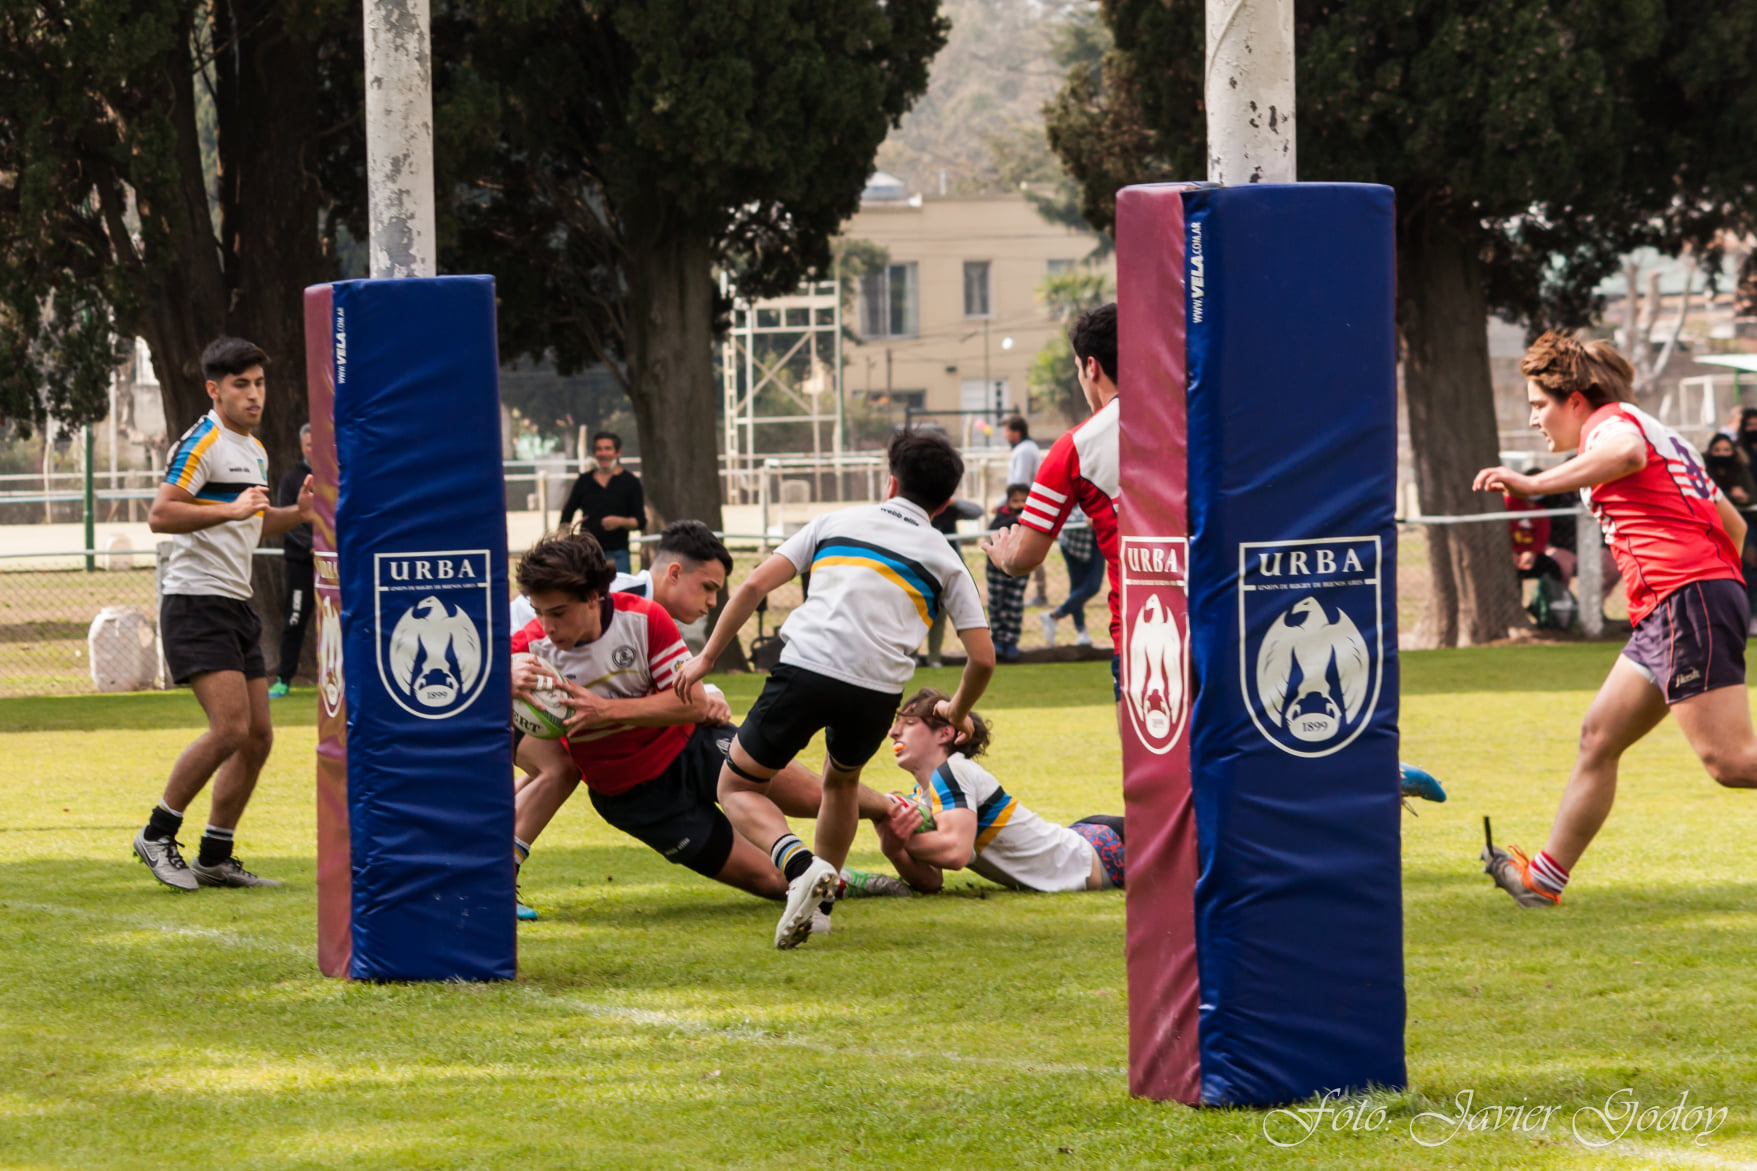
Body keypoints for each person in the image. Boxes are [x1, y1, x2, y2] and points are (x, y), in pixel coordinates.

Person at [674, 428, 996, 949]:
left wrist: (706, 657)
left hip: (807, 667)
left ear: (891, 482)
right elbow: (983, 657)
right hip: (877, 692)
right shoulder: (947, 558)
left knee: (735, 786)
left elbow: (754, 584)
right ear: (946, 503)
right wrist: (957, 711)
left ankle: (801, 867)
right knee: (841, 783)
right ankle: (821, 909)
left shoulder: (835, 522)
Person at [1471, 332, 1754, 908]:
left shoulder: (1611, 425)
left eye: (1539, 405)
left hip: (1683, 599)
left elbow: (1624, 456)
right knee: (1598, 736)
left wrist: (1531, 484)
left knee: (1731, 763)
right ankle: (1542, 882)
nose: (1534, 419)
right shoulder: (1664, 436)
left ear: (1576, 400)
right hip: (1673, 606)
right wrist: (1708, 581)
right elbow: (1736, 527)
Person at [509, 530, 901, 912]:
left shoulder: (644, 618)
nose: (548, 626)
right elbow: (479, 680)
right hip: (635, 796)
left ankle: (899, 810)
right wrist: (504, 675)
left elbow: (694, 705)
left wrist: (605, 710)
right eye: (539, 612)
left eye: (558, 613)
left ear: (594, 597)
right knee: (774, 882)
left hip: (694, 747)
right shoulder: (528, 647)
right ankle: (843, 879)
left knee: (818, 795)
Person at [133, 337, 313, 890]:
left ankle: (214, 856)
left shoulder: (254, 449)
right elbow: (161, 515)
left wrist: (298, 512)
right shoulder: (202, 441)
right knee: (231, 728)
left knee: (258, 737)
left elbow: (252, 522)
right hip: (196, 603)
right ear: (215, 390)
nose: (254, 394)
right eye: (241, 385)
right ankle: (157, 834)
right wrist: (230, 508)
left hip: (235, 604)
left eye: (259, 383)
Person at [510, 519, 736, 911]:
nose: (712, 602)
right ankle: (496, 874)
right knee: (560, 768)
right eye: (707, 588)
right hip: (507, 687)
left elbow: (656, 677)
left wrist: (706, 692)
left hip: (545, 696)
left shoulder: (639, 613)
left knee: (552, 772)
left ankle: (478, 853)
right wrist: (503, 669)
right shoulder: (613, 600)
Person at [985, 303, 1121, 711]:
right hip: (1229, 615)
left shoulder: (1075, 447)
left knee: (1151, 754)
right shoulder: (1198, 417)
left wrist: (1004, 556)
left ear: (1091, 367)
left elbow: (1024, 557)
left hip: (1145, 630)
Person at [874, 689, 1124, 893]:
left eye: (908, 723)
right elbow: (930, 881)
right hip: (1087, 838)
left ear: (944, 733)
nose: (893, 732)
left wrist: (903, 840)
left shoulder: (952, 772)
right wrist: (893, 848)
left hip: (1105, 848)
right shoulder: (922, 796)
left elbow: (956, 852)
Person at [268, 423, 314, 698]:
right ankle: (284, 679)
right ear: (301, 447)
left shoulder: (337, 475)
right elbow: (287, 518)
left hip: (335, 567)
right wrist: (312, 546)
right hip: (301, 565)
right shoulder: (291, 479)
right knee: (294, 620)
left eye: (318, 444)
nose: (313, 449)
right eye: (309, 445)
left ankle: (346, 677)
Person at [558, 431, 644, 573]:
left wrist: (620, 521)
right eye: (599, 449)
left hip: (618, 555)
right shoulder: (583, 481)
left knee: (618, 588)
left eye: (608, 449)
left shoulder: (631, 482)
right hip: (587, 554)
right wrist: (563, 544)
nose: (603, 453)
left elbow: (640, 521)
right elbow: (567, 514)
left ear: (618, 452)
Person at [922, 498, 984, 668]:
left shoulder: (949, 508)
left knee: (939, 614)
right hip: (922, 565)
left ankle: (934, 657)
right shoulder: (918, 509)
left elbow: (976, 512)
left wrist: (953, 501)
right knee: (917, 612)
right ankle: (912, 656)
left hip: (947, 567)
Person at [1704, 433, 1757, 627]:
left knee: (1747, 569)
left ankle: (1750, 615)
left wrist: (1744, 497)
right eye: (1717, 450)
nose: (1722, 454)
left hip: (1745, 525)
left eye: (1726, 450)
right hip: (1712, 530)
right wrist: (1729, 496)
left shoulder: (1740, 470)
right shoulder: (1703, 473)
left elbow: (1752, 496)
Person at [1003, 416, 1049, 606]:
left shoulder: (1023, 451)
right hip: (1026, 506)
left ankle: (1035, 593)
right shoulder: (1027, 448)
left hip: (1023, 507)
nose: (1005, 435)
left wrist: (1004, 503)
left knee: (1025, 549)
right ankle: (1038, 593)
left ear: (1016, 432)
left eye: (1006, 430)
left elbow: (1019, 484)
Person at [1041, 506, 1102, 648]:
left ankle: (1054, 615)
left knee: (1093, 586)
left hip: (1096, 539)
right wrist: (1085, 518)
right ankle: (1081, 631)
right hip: (1073, 543)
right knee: (1077, 586)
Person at [986, 485, 1031, 663]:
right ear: (1008, 502)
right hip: (996, 567)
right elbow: (993, 529)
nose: (1020, 504)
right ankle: (997, 639)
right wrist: (1014, 520)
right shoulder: (1002, 516)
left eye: (1023, 500)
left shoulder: (1031, 518)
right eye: (1015, 500)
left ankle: (1011, 641)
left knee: (1014, 603)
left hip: (1020, 565)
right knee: (996, 602)